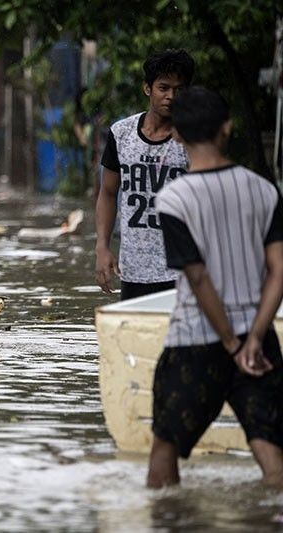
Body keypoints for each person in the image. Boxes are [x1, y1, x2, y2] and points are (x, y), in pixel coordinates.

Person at [148, 87, 283, 488]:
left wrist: (230, 344)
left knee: (165, 449)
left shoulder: (173, 199)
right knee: (271, 451)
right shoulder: (264, 190)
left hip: (195, 341)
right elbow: (279, 271)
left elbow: (198, 277)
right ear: (227, 129)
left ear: (177, 135)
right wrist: (253, 338)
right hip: (258, 341)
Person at [95, 49, 195, 300]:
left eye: (179, 90)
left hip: (183, 270)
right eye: (164, 88)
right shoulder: (121, 134)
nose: (171, 96)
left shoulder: (193, 137)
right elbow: (108, 193)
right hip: (133, 270)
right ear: (147, 89)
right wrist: (102, 247)